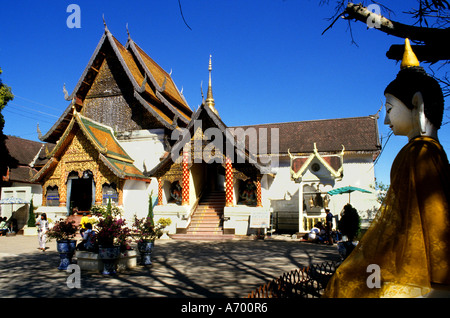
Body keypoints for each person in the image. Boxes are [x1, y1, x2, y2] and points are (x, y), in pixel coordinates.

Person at [323, 39, 450, 298]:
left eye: (390, 109)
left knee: (346, 283)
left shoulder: (419, 153)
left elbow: (431, 220)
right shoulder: (431, 152)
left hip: (424, 267)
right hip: (428, 262)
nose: (386, 119)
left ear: (417, 105)